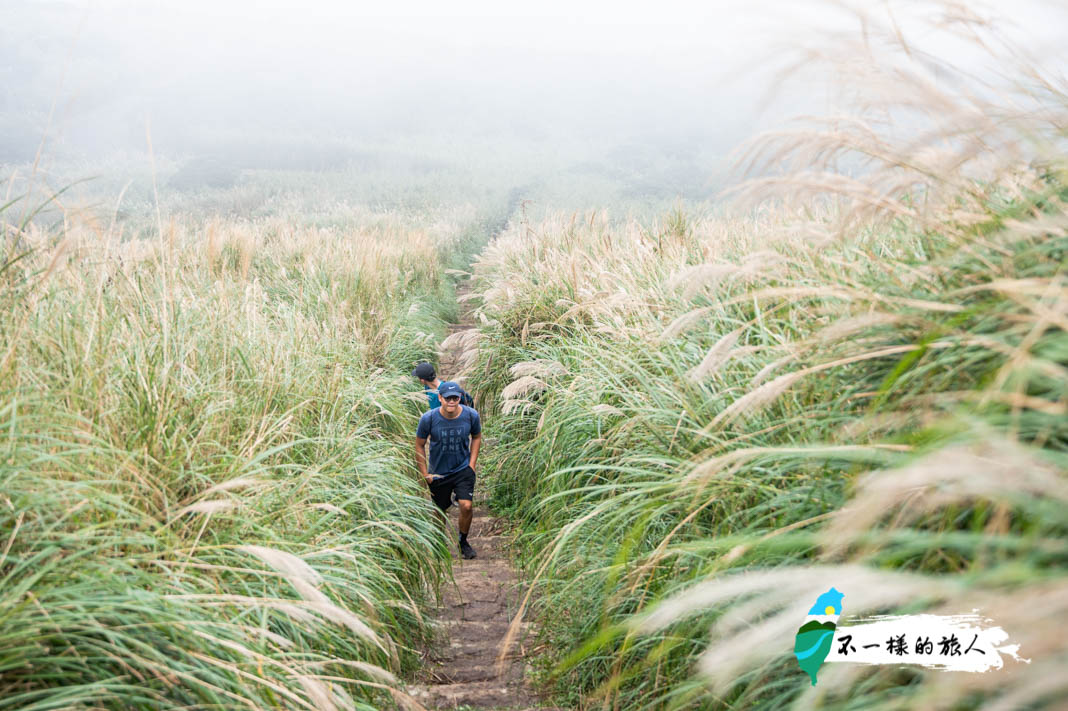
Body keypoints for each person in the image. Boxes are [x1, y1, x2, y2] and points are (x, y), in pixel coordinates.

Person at [414, 381, 481, 559]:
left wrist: (471, 465)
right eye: (447, 398)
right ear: (440, 398)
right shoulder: (428, 418)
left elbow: (476, 437)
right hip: (438, 472)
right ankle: (438, 543)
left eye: (455, 398)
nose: (451, 401)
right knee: (439, 510)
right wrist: (425, 473)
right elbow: (419, 445)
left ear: (460, 398)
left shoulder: (471, 415)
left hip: (462, 470)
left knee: (466, 506)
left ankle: (463, 542)